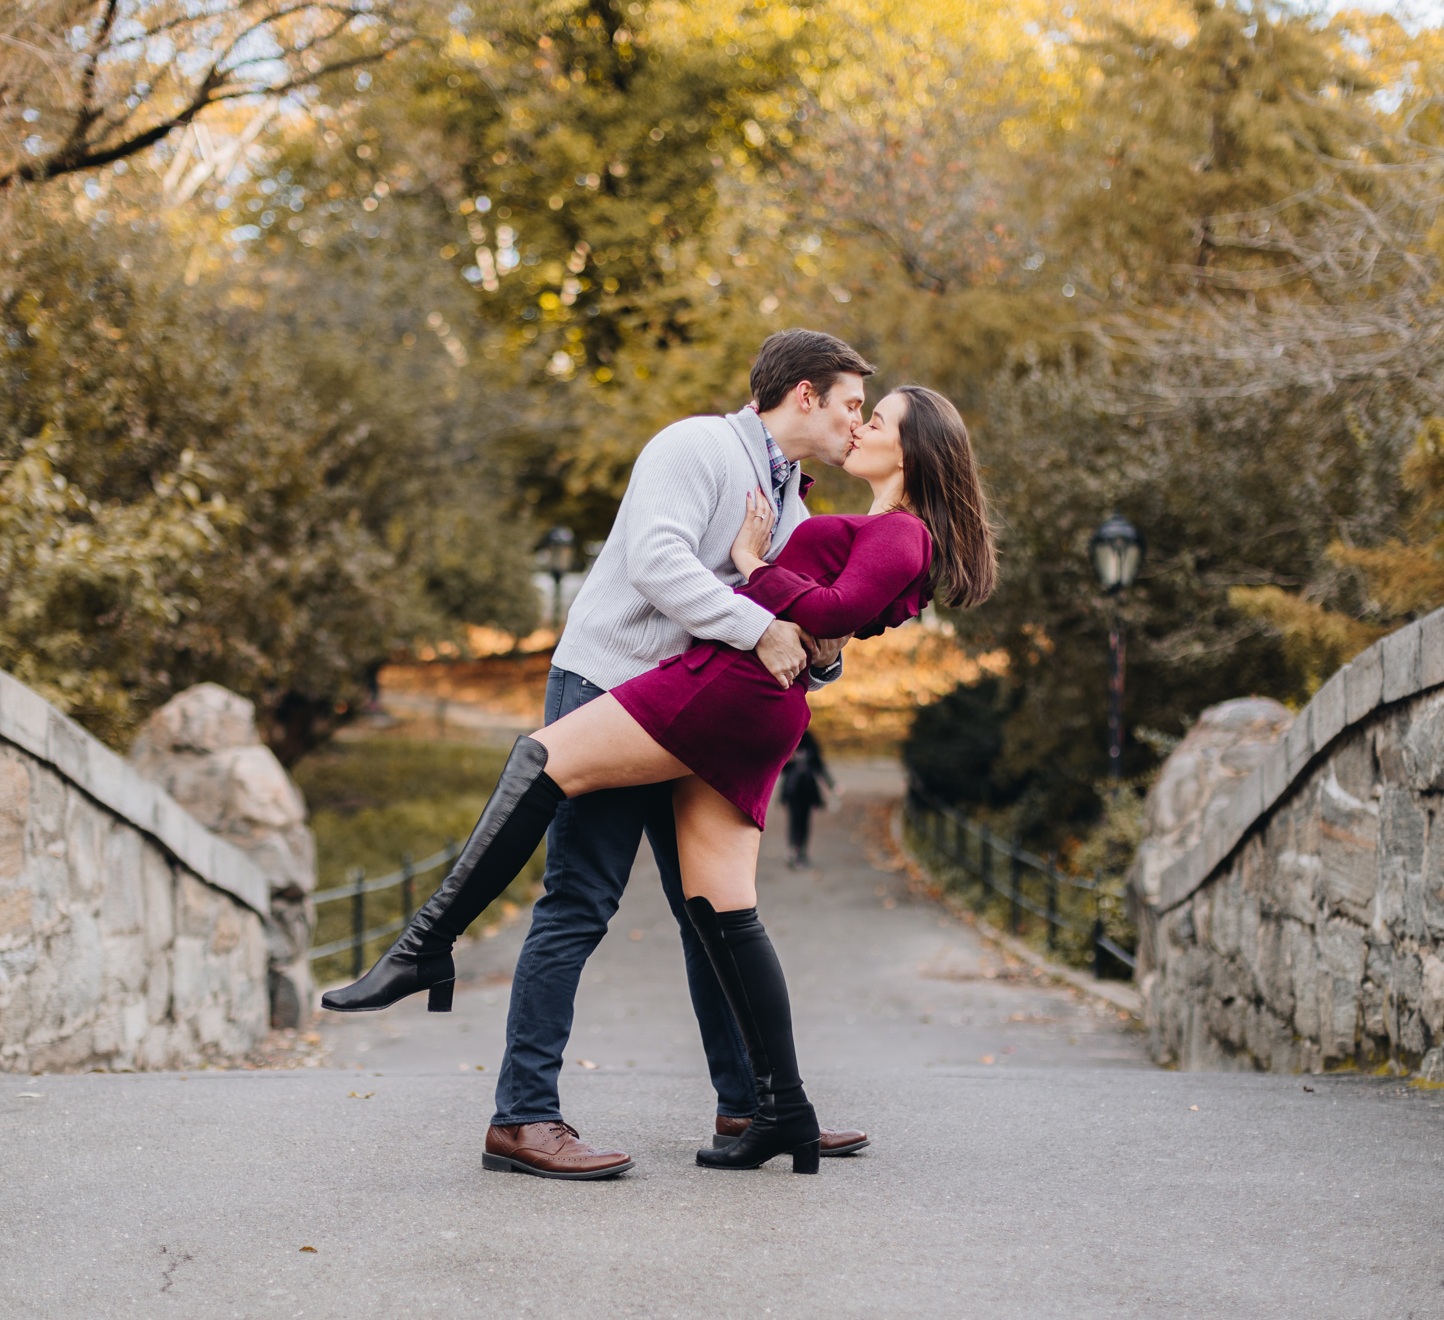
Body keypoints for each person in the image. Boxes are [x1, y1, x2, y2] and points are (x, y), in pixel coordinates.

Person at [325, 358, 997, 1176]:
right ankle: (525, 1111)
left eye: (873, 417)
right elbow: (662, 565)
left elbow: (817, 621)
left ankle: (759, 1101)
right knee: (582, 901)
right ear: (805, 394)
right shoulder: (699, 448)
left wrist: (793, 634)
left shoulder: (794, 495)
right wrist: (764, 620)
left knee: (704, 911)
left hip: (698, 702)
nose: (857, 425)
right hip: (615, 684)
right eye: (854, 406)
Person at [780, 731, 835, 870]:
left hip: (808, 792)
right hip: (793, 792)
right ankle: (793, 849)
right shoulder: (789, 745)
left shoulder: (810, 745)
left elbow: (820, 767)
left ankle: (802, 850)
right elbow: (780, 768)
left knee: (805, 822)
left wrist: (832, 785)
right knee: (794, 821)